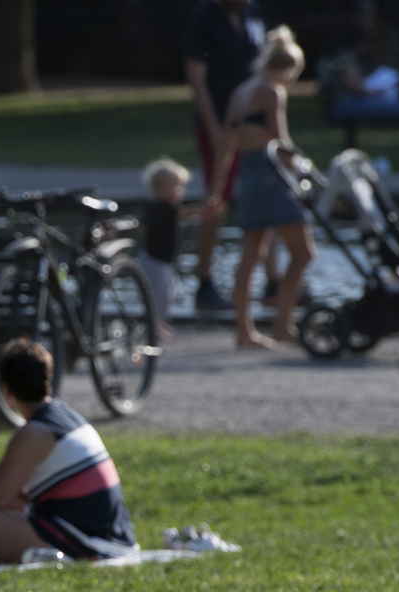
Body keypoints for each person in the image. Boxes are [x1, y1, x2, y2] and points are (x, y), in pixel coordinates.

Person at [0, 340, 136, 564]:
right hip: (109, 536)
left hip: (89, 542)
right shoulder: (65, 415)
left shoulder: (35, 433)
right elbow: (17, 500)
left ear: (5, 389)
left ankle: (9, 554)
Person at [211, 26, 317, 350]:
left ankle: (245, 332)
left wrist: (218, 189)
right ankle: (283, 325)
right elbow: (280, 142)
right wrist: (305, 168)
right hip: (272, 176)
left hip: (248, 175)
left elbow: (227, 146)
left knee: (250, 255)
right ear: (288, 68)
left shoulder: (241, 91)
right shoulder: (272, 92)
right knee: (303, 253)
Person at [182, 0, 286, 310]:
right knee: (218, 198)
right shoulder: (204, 18)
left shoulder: (250, 14)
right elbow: (197, 78)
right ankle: (204, 280)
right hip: (221, 120)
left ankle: (274, 282)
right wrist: (215, 128)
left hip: (254, 124)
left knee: (270, 191)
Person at [138, 157, 222, 341]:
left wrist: (203, 212)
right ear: (163, 189)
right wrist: (204, 210)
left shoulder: (156, 208)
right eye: (178, 187)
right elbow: (184, 213)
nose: (181, 192)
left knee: (168, 292)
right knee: (160, 294)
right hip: (155, 262)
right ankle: (153, 325)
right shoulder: (164, 207)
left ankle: (159, 322)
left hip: (157, 260)